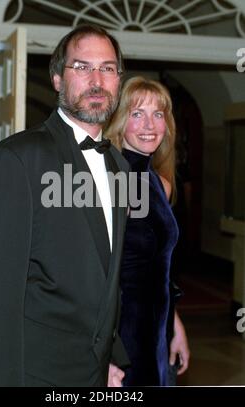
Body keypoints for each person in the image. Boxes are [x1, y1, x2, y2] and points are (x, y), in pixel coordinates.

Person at [0, 24, 130, 387]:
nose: (97, 79)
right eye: (82, 67)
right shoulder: (17, 160)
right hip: (34, 373)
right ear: (56, 79)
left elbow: (105, 273)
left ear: (119, 80)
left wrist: (112, 356)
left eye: (108, 68)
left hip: (95, 371)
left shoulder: (119, 164)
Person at [105, 76, 190, 386]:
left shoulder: (161, 185)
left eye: (158, 114)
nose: (149, 124)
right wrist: (103, 355)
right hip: (123, 336)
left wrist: (175, 325)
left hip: (159, 332)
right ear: (120, 121)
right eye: (137, 113)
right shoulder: (112, 184)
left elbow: (160, 270)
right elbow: (96, 275)